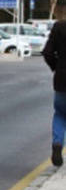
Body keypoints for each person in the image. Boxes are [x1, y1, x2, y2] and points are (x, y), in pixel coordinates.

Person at [42, 20, 66, 166]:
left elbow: (47, 53)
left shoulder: (59, 27)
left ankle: (57, 143)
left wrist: (56, 67)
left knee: (60, 114)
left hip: (62, 81)